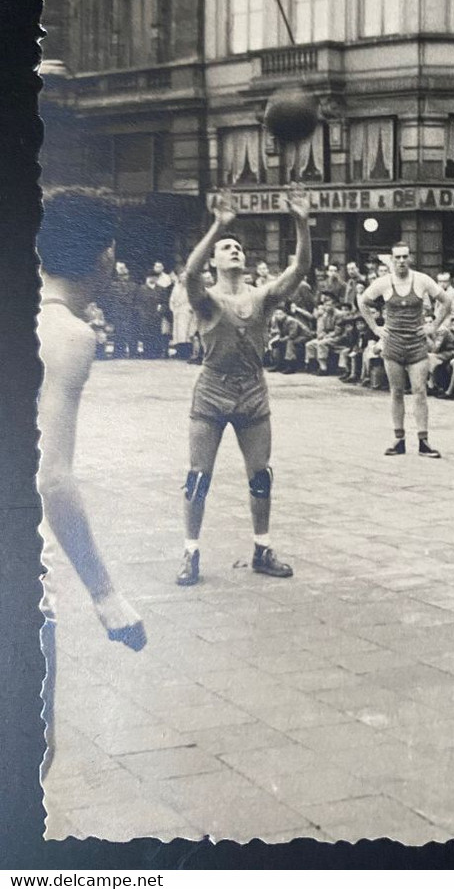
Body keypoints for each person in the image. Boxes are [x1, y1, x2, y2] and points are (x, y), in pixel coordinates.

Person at [38, 188, 148, 773]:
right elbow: (53, 479)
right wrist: (107, 597)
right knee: (31, 752)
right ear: (104, 256)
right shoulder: (68, 337)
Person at [175, 185, 312, 587]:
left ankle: (262, 548)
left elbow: (299, 270)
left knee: (260, 475)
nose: (234, 250)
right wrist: (218, 226)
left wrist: (301, 222)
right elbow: (189, 274)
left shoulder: (262, 297)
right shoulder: (207, 300)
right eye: (226, 248)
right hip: (212, 391)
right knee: (198, 476)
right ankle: (190, 552)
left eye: (238, 247)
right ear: (216, 259)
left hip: (252, 391)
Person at [357, 241, 452, 457]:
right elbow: (363, 302)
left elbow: (446, 301)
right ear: (391, 260)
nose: (401, 261)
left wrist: (433, 326)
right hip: (393, 343)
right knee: (396, 392)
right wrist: (376, 328)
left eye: (404, 257)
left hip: (417, 343)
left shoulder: (421, 280)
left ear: (409, 258)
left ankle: (423, 441)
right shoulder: (384, 282)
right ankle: (398, 439)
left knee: (419, 391)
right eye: (397, 257)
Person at [107, 260, 138, 358]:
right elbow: (118, 296)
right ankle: (118, 353)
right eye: (122, 276)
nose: (124, 278)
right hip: (119, 313)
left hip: (130, 313)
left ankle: (132, 353)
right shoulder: (114, 285)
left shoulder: (133, 285)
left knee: (130, 333)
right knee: (119, 333)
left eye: (126, 275)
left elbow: (135, 298)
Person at [169, 265, 193, 360]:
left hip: (188, 312)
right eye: (182, 277)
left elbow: (194, 300)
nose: (183, 279)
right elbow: (172, 300)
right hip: (177, 312)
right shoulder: (176, 287)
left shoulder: (191, 288)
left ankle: (186, 353)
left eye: (185, 277)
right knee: (178, 334)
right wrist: (173, 309)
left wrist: (191, 309)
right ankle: (179, 352)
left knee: (186, 334)